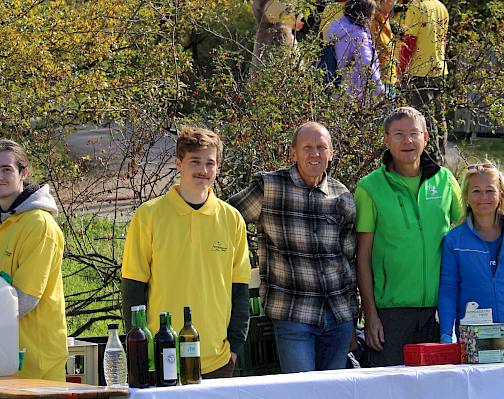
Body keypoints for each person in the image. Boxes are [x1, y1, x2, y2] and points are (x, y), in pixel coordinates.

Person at [121, 127, 251, 378]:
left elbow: (240, 291)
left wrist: (234, 349)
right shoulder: (149, 215)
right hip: (161, 354)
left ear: (217, 167)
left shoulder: (231, 219)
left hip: (217, 360)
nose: (203, 170)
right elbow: (133, 289)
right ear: (178, 163)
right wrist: (140, 348)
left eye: (209, 163)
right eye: (195, 161)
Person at [228, 121, 358, 373]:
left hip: (338, 318)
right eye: (307, 147)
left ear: (331, 153)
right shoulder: (269, 187)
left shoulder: (342, 196)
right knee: (301, 392)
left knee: (333, 394)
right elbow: (225, 220)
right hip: (293, 314)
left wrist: (352, 320)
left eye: (321, 147)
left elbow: (349, 263)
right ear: (293, 152)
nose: (315, 153)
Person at [354, 106, 461, 366]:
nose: (407, 141)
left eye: (414, 133)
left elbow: (473, 227)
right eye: (399, 134)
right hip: (391, 314)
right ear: (386, 140)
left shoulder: (445, 180)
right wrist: (370, 315)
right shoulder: (369, 188)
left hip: (440, 312)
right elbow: (362, 256)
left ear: (425, 137)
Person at [0, 139, 67, 381]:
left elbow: (25, 299)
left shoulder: (39, 224)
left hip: (36, 365)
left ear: (23, 173)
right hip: (3, 360)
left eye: (6, 169)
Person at [438, 161, 504, 351]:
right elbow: (448, 290)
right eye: (476, 191)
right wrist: (446, 334)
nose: (483, 197)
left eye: (490, 190)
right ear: (466, 197)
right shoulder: (454, 241)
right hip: (474, 340)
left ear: (501, 195)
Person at [397, 0, 449, 163]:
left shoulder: (415, 7)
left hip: (419, 71)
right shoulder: (441, 7)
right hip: (440, 69)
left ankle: (430, 160)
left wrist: (400, 70)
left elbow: (409, 42)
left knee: (422, 118)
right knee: (440, 117)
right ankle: (441, 157)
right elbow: (443, 40)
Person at [325, 0, 386, 100]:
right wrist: (380, 89)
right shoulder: (358, 35)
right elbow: (367, 64)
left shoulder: (337, 27)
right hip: (353, 92)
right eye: (372, 14)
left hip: (336, 86)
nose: (372, 19)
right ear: (364, 14)